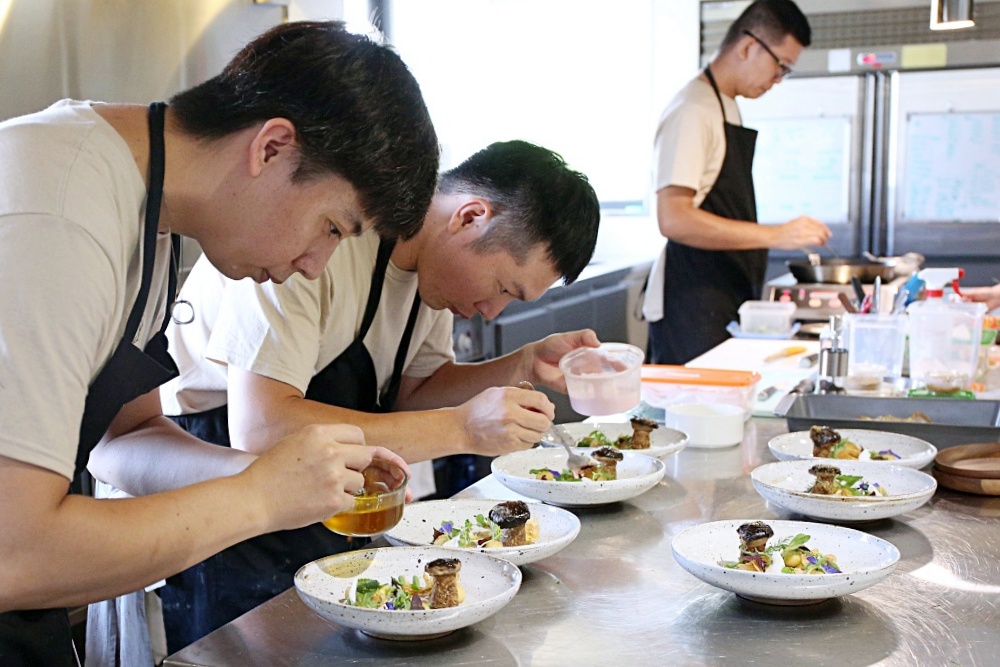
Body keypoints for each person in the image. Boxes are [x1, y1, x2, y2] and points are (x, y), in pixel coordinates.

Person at [0, 21, 440, 666]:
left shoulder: (160, 219)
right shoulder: (56, 213)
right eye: (332, 227)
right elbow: (14, 552)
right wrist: (257, 499)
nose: (317, 265)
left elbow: (125, 440)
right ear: (273, 148)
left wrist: (274, 478)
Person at [94, 140, 602, 651]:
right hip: (206, 473)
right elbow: (263, 427)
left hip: (317, 496)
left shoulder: (431, 277)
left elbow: (413, 393)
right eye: (504, 288)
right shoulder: (317, 240)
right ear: (471, 217)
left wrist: (519, 364)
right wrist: (461, 428)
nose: (492, 312)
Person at [643, 0, 832, 365]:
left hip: (723, 294)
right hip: (693, 302)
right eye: (781, 67)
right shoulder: (692, 111)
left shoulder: (724, 104)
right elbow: (674, 218)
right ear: (748, 47)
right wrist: (776, 235)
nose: (777, 80)